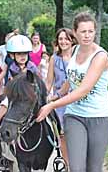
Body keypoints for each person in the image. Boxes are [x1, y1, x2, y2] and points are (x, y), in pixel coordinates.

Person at [37, 12, 108, 172]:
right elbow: (70, 80)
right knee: (76, 167)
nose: (87, 36)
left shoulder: (100, 57)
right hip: (74, 115)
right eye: (83, 32)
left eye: (90, 31)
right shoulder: (73, 51)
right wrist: (55, 95)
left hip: (99, 117)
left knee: (93, 168)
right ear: (75, 32)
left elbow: (83, 90)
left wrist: (52, 105)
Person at [0, 34, 39, 137]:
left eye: (25, 54)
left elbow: (38, 79)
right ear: (12, 55)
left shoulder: (32, 67)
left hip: (29, 93)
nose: (23, 57)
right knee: (5, 102)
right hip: (15, 93)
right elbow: (10, 80)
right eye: (19, 54)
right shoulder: (12, 67)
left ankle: (54, 128)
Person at [45, 28, 77, 165]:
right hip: (59, 102)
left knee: (75, 135)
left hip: (76, 99)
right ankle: (67, 164)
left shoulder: (78, 57)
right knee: (62, 135)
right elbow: (49, 81)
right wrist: (45, 97)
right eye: (60, 39)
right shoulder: (54, 59)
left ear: (72, 40)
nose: (63, 41)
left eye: (66, 38)